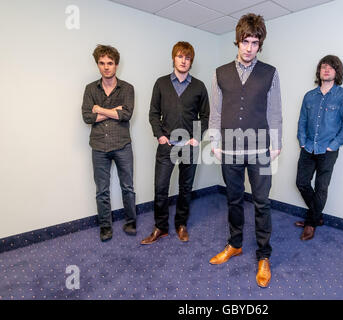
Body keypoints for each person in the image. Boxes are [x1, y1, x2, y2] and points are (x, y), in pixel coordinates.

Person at [208, 14, 282, 288]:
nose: (249, 47)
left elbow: (275, 111)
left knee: (262, 202)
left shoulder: (270, 73)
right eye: (245, 41)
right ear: (237, 41)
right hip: (230, 149)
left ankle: (263, 255)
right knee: (234, 199)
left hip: (261, 148)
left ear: (260, 44)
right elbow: (215, 112)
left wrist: (276, 143)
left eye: (255, 42)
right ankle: (235, 244)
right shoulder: (220, 73)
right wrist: (214, 142)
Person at [141, 41, 210, 245]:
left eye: (187, 58)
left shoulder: (199, 86)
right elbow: (153, 113)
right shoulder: (161, 83)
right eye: (180, 56)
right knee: (161, 188)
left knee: (185, 188)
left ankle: (181, 225)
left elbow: (205, 116)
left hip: (189, 147)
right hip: (167, 146)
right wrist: (160, 136)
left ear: (191, 61)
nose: (183, 61)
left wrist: (196, 138)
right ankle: (160, 227)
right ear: (174, 58)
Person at [295, 55, 343, 241]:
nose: (326, 70)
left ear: (337, 72)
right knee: (301, 182)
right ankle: (316, 216)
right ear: (319, 71)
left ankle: (311, 223)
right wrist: (302, 141)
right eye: (323, 67)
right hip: (308, 147)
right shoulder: (309, 96)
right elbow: (302, 121)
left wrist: (333, 145)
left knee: (321, 187)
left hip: (328, 150)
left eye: (331, 67)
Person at [82, 45, 137, 242]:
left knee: (128, 187)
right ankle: (105, 227)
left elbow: (126, 114)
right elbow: (87, 117)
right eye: (102, 63)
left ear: (116, 65)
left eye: (110, 63)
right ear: (98, 64)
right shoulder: (90, 89)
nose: (106, 67)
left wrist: (100, 109)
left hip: (122, 145)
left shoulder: (127, 88)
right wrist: (114, 111)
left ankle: (131, 222)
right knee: (102, 191)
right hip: (98, 146)